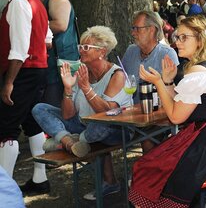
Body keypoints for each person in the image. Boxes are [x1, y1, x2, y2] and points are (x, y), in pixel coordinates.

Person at [129, 16, 206, 207]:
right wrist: (169, 81)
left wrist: (159, 83)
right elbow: (179, 105)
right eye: (177, 37)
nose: (177, 42)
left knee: (149, 167)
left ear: (200, 40)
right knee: (154, 162)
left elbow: (175, 117)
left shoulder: (199, 72)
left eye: (183, 37)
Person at [33, 26, 132, 198]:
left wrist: (87, 89)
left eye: (86, 47)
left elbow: (106, 113)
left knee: (98, 124)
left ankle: (68, 141)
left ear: (102, 51)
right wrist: (68, 88)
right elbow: (67, 115)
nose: (80, 50)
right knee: (39, 108)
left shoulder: (117, 75)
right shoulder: (82, 71)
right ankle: (70, 142)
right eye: (80, 47)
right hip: (84, 124)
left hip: (114, 128)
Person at [0, 0, 51, 194]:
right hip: (36, 69)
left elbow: (19, 49)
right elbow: (48, 40)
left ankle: (4, 190)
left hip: (24, 71)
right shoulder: (35, 2)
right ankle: (40, 180)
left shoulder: (19, 3)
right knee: (32, 123)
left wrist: (9, 81)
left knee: (6, 127)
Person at [31, 0, 79, 108]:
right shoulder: (39, 1)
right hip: (49, 62)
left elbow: (60, 25)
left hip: (62, 63)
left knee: (55, 105)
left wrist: (29, 27)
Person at [122, 11, 179, 104]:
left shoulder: (167, 54)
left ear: (152, 30)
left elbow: (173, 94)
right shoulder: (130, 51)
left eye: (137, 29)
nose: (133, 33)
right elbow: (121, 81)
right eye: (133, 28)